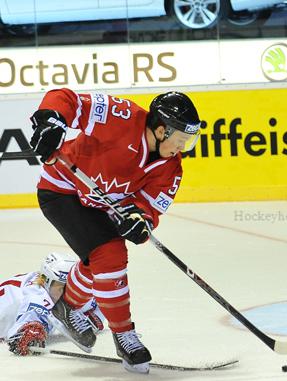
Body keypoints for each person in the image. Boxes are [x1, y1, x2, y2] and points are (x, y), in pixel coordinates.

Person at [27, 88, 201, 373]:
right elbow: (67, 99)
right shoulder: (121, 116)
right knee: (110, 254)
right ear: (160, 130)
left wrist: (140, 219)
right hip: (63, 189)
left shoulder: (172, 168)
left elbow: (148, 208)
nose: (183, 147)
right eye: (180, 140)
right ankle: (124, 334)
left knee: (100, 260)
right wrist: (52, 121)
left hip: (100, 204)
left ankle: (67, 305)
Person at [0, 252, 103, 356]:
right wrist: (28, 332)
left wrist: (94, 316)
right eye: (61, 287)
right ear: (47, 282)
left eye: (71, 287)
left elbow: (98, 301)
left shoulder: (47, 282)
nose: (67, 293)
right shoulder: (37, 295)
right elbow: (20, 332)